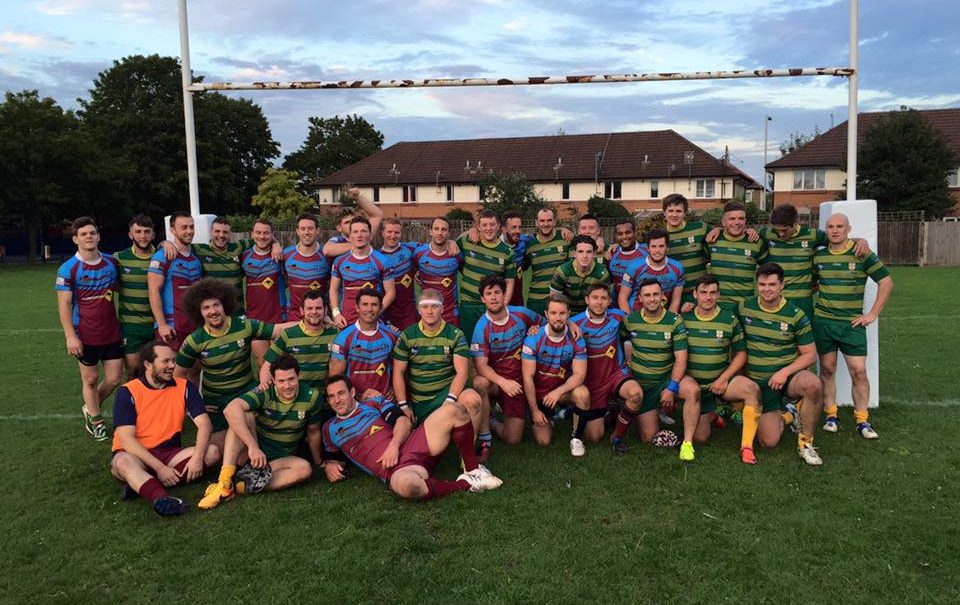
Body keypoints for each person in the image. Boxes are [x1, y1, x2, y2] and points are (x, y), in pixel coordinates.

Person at [321, 375, 503, 500]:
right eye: (331, 397)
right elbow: (333, 458)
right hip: (397, 470)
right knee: (407, 487)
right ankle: (466, 484)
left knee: (454, 410)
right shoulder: (330, 429)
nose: (337, 400)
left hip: (414, 445)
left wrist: (393, 446)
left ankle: (473, 469)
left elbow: (403, 421)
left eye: (341, 393)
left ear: (352, 392)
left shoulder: (373, 403)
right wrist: (329, 466)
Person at [174, 279, 289, 449]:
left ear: (224, 305)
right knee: (217, 448)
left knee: (262, 432)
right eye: (206, 308)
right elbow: (178, 375)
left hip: (246, 392)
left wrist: (311, 323)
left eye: (216, 305)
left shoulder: (245, 326)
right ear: (198, 312)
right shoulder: (193, 341)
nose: (213, 311)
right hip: (216, 401)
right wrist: (195, 405)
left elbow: (278, 330)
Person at [197, 355, 322, 509]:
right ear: (273, 380)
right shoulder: (265, 391)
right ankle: (225, 481)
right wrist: (252, 447)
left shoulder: (311, 396)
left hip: (280, 459)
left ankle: (239, 487)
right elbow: (230, 409)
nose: (287, 385)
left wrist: (319, 463)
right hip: (253, 455)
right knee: (243, 416)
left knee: (304, 468)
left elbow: (314, 431)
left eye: (291, 379)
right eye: (281, 381)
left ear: (298, 376)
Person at [110, 340, 219, 516]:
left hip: (169, 453)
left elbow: (204, 424)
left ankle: (140, 484)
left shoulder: (184, 387)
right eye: (165, 361)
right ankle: (161, 498)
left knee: (212, 452)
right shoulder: (127, 392)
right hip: (135, 454)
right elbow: (126, 440)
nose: (172, 366)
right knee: (123, 462)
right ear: (147, 364)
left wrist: (198, 458)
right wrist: (160, 468)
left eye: (173, 361)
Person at [814, 213, 893, 439]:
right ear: (826, 230)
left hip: (851, 324)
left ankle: (862, 420)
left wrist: (872, 314)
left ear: (849, 229)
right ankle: (831, 416)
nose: (835, 230)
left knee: (858, 371)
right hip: (824, 322)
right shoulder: (818, 257)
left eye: (840, 226)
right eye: (830, 227)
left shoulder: (861, 252)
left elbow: (886, 282)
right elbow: (812, 283)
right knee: (827, 370)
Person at [740, 263, 824, 466]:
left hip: (785, 378)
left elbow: (810, 354)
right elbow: (716, 313)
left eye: (771, 284)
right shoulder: (744, 307)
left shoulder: (795, 314)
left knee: (813, 384)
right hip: (758, 382)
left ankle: (806, 444)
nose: (766, 289)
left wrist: (784, 372)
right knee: (768, 442)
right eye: (762, 284)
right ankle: (789, 414)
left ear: (781, 285)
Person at [612, 279, 701, 461]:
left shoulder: (674, 321)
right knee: (648, 438)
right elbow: (619, 343)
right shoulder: (630, 321)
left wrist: (672, 387)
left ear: (662, 297)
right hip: (643, 385)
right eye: (647, 295)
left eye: (655, 294)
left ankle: (687, 444)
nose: (652, 299)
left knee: (693, 390)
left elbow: (681, 358)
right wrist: (626, 362)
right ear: (640, 298)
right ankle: (646, 412)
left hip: (667, 378)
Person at [682, 276, 763, 464]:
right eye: (703, 292)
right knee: (701, 438)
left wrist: (725, 378)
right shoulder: (683, 319)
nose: (708, 297)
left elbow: (741, 354)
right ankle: (711, 414)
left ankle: (747, 447)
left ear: (718, 295)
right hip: (693, 386)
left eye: (712, 293)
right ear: (695, 294)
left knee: (752, 389)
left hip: (720, 383)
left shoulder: (729, 319)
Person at [56, 216, 123, 441]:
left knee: (114, 379)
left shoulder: (111, 263)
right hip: (85, 333)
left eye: (92, 233)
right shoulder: (68, 269)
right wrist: (70, 337)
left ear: (98, 236)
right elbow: (64, 304)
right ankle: (96, 420)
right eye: (83, 234)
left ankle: (90, 406)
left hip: (111, 331)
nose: (89, 237)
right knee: (91, 380)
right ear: (75, 239)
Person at [471, 275, 546, 450]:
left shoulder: (521, 313)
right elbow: (481, 366)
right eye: (489, 293)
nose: (494, 297)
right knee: (479, 383)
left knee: (513, 439)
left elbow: (547, 326)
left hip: (522, 380)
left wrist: (537, 330)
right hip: (498, 381)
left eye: (497, 292)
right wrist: (504, 383)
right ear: (483, 299)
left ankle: (505, 417)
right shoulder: (481, 328)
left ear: (504, 295)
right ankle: (486, 430)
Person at [760, 204, 870, 321]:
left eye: (785, 230)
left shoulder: (812, 235)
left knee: (804, 337)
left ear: (795, 222)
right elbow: (749, 236)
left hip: (802, 300)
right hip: (775, 298)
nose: (781, 234)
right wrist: (750, 231)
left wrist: (860, 240)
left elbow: (837, 240)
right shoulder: (767, 234)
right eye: (778, 231)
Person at [569, 284, 643, 456]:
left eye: (604, 298)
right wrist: (568, 322)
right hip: (592, 384)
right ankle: (611, 410)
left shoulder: (618, 317)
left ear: (610, 301)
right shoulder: (576, 323)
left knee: (636, 394)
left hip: (616, 374)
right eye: (595, 298)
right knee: (594, 436)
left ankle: (617, 437)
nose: (599, 302)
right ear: (587, 300)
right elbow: (551, 324)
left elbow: (639, 321)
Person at [393, 289, 474, 423]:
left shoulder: (456, 334)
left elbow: (462, 373)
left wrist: (450, 401)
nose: (429, 311)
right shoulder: (407, 335)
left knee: (472, 399)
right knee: (435, 443)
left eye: (434, 306)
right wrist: (403, 405)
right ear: (419, 310)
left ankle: (475, 442)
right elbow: (398, 372)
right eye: (425, 307)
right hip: (420, 401)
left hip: (447, 394)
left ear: (442, 309)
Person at [520, 297, 590, 447]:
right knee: (543, 441)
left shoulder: (577, 338)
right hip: (540, 394)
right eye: (553, 313)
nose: (558, 318)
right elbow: (527, 378)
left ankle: (576, 439)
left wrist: (558, 392)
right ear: (546, 314)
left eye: (562, 313)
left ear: (568, 314)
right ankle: (548, 413)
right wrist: (534, 411)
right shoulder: (533, 339)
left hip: (562, 392)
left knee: (582, 394)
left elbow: (580, 375)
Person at [191, 216, 282, 314]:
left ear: (230, 234)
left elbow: (262, 239)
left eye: (225, 232)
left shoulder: (238, 247)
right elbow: (182, 246)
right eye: (217, 231)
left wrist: (276, 244)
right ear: (211, 232)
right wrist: (171, 244)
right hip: (213, 313)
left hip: (237, 312)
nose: (221, 235)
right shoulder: (200, 250)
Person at [260, 290, 338, 394]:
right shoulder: (288, 335)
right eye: (309, 308)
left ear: (325, 310)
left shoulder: (336, 334)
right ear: (302, 311)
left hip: (326, 396)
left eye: (318, 308)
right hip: (297, 396)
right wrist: (265, 387)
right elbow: (268, 364)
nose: (314, 312)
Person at [456, 209, 517, 340]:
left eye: (492, 225)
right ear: (478, 227)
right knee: (469, 345)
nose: (488, 229)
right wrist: (467, 232)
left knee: (491, 344)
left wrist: (502, 306)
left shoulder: (507, 252)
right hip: (469, 305)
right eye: (484, 225)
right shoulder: (467, 241)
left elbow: (510, 282)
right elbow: (449, 246)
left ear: (499, 226)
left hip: (492, 306)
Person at [328, 288, 400, 397]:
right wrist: (356, 396)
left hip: (384, 401)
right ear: (357, 308)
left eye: (374, 305)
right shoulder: (343, 338)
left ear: (381, 308)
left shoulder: (392, 335)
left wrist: (395, 389)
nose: (369, 309)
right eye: (365, 304)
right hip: (354, 403)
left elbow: (401, 369)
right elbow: (335, 379)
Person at [147, 211, 203, 351]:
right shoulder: (162, 256)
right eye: (184, 227)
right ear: (172, 230)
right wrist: (162, 324)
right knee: (172, 370)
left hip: (194, 324)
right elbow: (153, 291)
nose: (189, 231)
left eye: (192, 227)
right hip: (172, 326)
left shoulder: (196, 258)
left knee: (195, 370)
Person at [330, 216, 396, 327]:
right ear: (350, 236)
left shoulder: (383, 261)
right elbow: (333, 289)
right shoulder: (340, 261)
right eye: (355, 232)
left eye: (363, 231)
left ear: (370, 235)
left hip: (374, 321)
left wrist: (377, 312)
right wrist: (336, 314)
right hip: (347, 321)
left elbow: (391, 293)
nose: (359, 235)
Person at [113, 214, 159, 374]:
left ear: (153, 234)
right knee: (133, 372)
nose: (143, 236)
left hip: (158, 323)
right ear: (130, 234)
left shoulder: (163, 255)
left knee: (160, 371)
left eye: (147, 231)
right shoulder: (119, 258)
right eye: (138, 231)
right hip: (131, 325)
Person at [240, 218, 288, 364]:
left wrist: (276, 244)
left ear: (272, 234)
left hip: (278, 318)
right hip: (255, 319)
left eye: (266, 233)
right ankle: (266, 388)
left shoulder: (280, 256)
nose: (262, 236)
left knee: (279, 363)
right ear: (252, 234)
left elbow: (289, 280)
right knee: (262, 362)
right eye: (258, 232)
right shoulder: (244, 256)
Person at [706, 201, 767, 312]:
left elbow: (768, 271)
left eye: (741, 219)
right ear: (723, 222)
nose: (737, 222)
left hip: (745, 306)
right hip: (717, 306)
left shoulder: (756, 242)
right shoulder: (712, 240)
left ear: (745, 221)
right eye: (732, 219)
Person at [662, 194, 710, 312]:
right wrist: (616, 246)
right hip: (670, 294)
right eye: (670, 211)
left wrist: (718, 230)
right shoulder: (660, 235)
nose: (674, 215)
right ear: (664, 212)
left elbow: (722, 234)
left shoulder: (699, 228)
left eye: (678, 211)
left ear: (685, 213)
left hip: (698, 292)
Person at [619, 228, 685, 314]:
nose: (657, 251)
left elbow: (675, 302)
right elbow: (622, 298)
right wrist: (629, 321)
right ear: (647, 249)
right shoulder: (634, 268)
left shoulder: (677, 268)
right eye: (653, 246)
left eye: (661, 246)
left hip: (662, 318)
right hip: (636, 316)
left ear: (667, 248)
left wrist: (669, 322)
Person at [413, 217, 464, 326]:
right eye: (436, 229)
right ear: (430, 231)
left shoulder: (456, 254)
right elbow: (412, 270)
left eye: (444, 229)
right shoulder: (419, 253)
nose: (440, 233)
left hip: (450, 313)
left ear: (449, 233)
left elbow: (466, 273)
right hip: (427, 312)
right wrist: (417, 273)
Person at [523, 207, 572, 317]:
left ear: (554, 221)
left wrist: (600, 240)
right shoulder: (530, 245)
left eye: (549, 220)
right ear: (536, 222)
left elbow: (586, 242)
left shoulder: (566, 239)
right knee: (536, 333)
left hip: (559, 299)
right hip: (536, 300)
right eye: (542, 221)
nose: (545, 224)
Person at [283, 213, 332, 321]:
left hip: (319, 317)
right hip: (293, 316)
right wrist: (275, 243)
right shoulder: (286, 255)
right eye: (303, 228)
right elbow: (283, 282)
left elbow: (333, 287)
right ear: (297, 231)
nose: (306, 232)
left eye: (310, 228)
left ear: (317, 231)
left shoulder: (327, 255)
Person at [549, 235, 611, 316]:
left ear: (594, 253)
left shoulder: (602, 274)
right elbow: (554, 300)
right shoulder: (562, 271)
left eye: (589, 252)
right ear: (574, 253)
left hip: (591, 314)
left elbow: (603, 302)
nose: (585, 256)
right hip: (566, 313)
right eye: (580, 251)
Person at [322, 187, 385, 261]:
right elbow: (327, 251)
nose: (351, 224)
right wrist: (359, 244)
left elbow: (377, 214)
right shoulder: (337, 240)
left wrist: (357, 198)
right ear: (339, 227)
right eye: (347, 222)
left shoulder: (365, 235)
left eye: (353, 221)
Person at [379, 218, 419, 330]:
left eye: (397, 232)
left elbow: (433, 247)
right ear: (382, 233)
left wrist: (450, 242)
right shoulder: (376, 257)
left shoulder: (411, 249)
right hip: (386, 312)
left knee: (410, 345)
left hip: (408, 312)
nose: (393, 235)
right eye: (389, 232)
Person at [606, 218, 648, 291]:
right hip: (616, 300)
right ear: (615, 236)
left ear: (635, 233)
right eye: (620, 234)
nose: (624, 237)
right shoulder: (611, 254)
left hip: (640, 300)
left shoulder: (647, 251)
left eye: (628, 232)